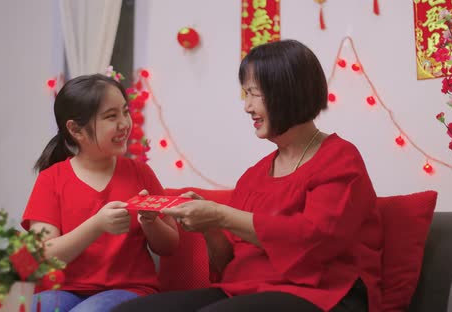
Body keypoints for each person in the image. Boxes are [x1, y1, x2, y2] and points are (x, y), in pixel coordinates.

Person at [113, 39, 381, 312]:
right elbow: (228, 263)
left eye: (254, 94)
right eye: (246, 94)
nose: (247, 107)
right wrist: (210, 228)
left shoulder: (339, 158)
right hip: (245, 290)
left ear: (287, 93)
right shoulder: (254, 176)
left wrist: (221, 214)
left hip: (324, 294)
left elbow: (313, 242)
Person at [22, 74, 179, 312]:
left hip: (129, 290)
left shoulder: (141, 173)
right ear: (76, 129)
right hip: (62, 289)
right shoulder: (51, 179)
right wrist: (96, 225)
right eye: (111, 117)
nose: (124, 123)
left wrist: (151, 222)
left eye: (125, 112)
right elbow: (45, 254)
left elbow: (169, 246)